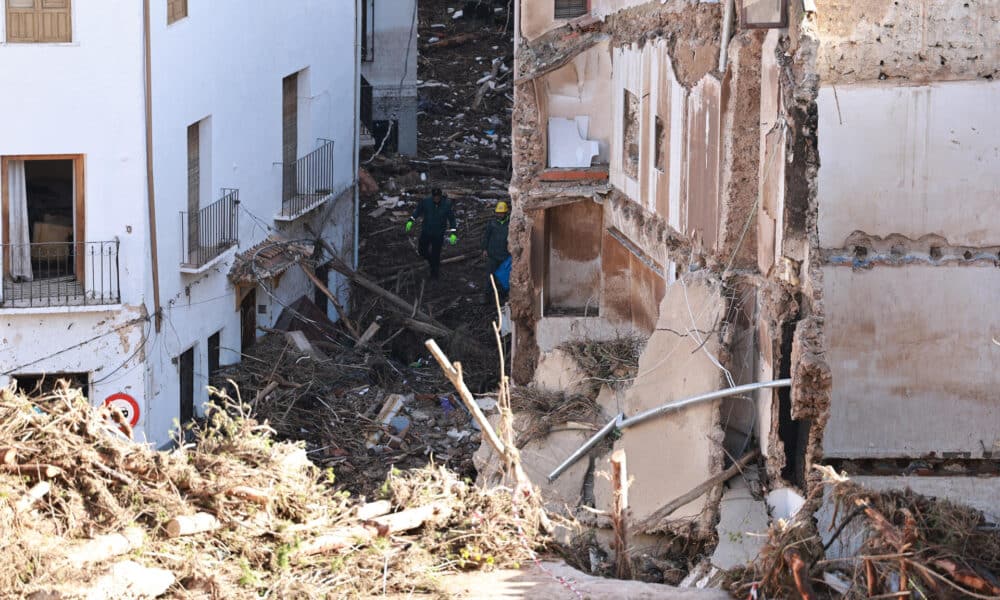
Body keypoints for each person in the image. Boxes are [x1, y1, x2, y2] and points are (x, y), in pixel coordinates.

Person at [406, 187, 457, 279]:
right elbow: (418, 211)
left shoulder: (446, 205)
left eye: (438, 197)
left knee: (436, 254)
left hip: (438, 234)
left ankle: (434, 274)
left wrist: (453, 233)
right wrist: (411, 220)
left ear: (441, 196)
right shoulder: (426, 202)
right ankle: (431, 261)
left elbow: (452, 219)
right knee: (421, 250)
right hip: (426, 231)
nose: (436, 198)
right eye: (434, 196)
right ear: (432, 196)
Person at [480, 201, 511, 303]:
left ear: (506, 213)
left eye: (502, 213)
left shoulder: (510, 224)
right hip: (493, 254)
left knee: (504, 276)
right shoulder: (492, 223)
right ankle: (486, 295)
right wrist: (484, 249)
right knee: (490, 276)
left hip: (505, 255)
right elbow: (486, 237)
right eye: (498, 213)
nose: (500, 215)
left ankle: (503, 295)